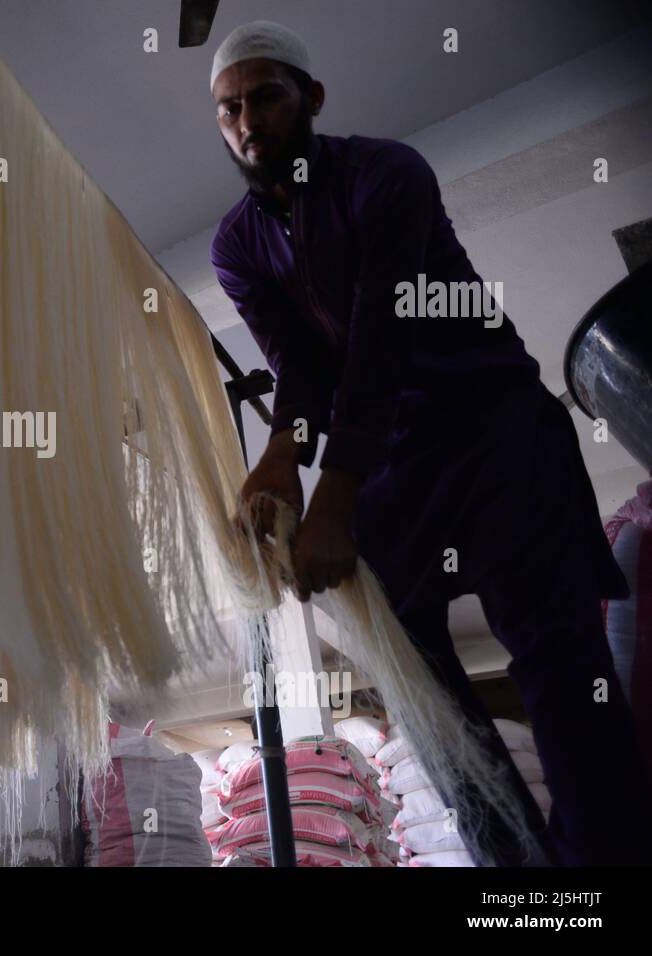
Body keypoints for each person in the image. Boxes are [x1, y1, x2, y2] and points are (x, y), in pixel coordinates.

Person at [207, 20, 652, 865]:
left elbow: (381, 340)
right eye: (228, 109)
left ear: (312, 99)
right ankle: (522, 888)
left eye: (265, 96)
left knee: (558, 665)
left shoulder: (386, 174)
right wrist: (278, 460)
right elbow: (298, 369)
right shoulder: (236, 243)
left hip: (491, 427)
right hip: (392, 465)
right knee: (420, 693)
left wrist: (333, 492)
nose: (247, 121)